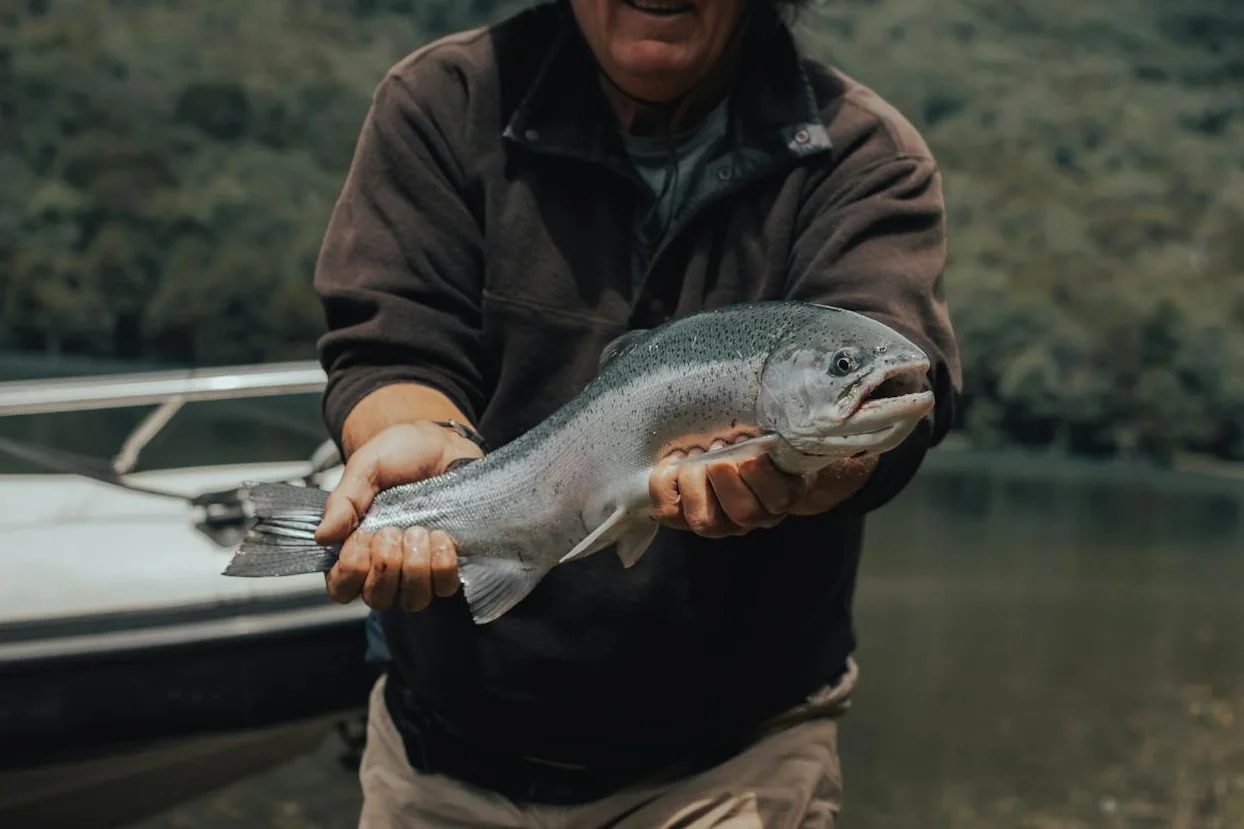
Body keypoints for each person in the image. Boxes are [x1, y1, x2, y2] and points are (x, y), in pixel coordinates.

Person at [311, 0, 961, 825]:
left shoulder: (864, 155)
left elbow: (902, 376)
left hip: (732, 770)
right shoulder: (444, 102)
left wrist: (809, 475)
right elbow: (392, 344)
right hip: (439, 761)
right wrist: (421, 436)